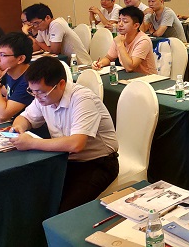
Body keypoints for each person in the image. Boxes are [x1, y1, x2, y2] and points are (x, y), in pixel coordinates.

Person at [10, 57, 119, 212]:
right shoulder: (43, 97)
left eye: (41, 92)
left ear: (61, 84)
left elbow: (76, 144)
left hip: (97, 163)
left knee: (62, 210)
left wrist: (31, 143)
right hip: (64, 160)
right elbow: (25, 118)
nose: (36, 97)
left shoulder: (82, 99)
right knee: (32, 195)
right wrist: (19, 127)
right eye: (32, 91)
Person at [0, 32, 33, 122]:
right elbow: (10, 99)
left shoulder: (30, 81)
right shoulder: (10, 72)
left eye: (2, 55)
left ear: (20, 59)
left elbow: (1, 116)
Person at [92, 6, 157, 75]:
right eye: (119, 21)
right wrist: (100, 64)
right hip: (130, 76)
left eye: (125, 21)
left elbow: (130, 68)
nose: (120, 24)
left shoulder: (143, 40)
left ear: (136, 26)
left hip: (147, 78)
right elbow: (109, 58)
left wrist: (120, 45)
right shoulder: (120, 38)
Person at [24, 4, 91, 65]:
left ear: (47, 18)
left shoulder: (56, 24)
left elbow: (54, 51)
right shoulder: (42, 28)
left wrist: (28, 35)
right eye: (33, 24)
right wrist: (36, 41)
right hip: (66, 63)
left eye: (36, 23)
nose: (35, 26)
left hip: (81, 65)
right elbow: (36, 47)